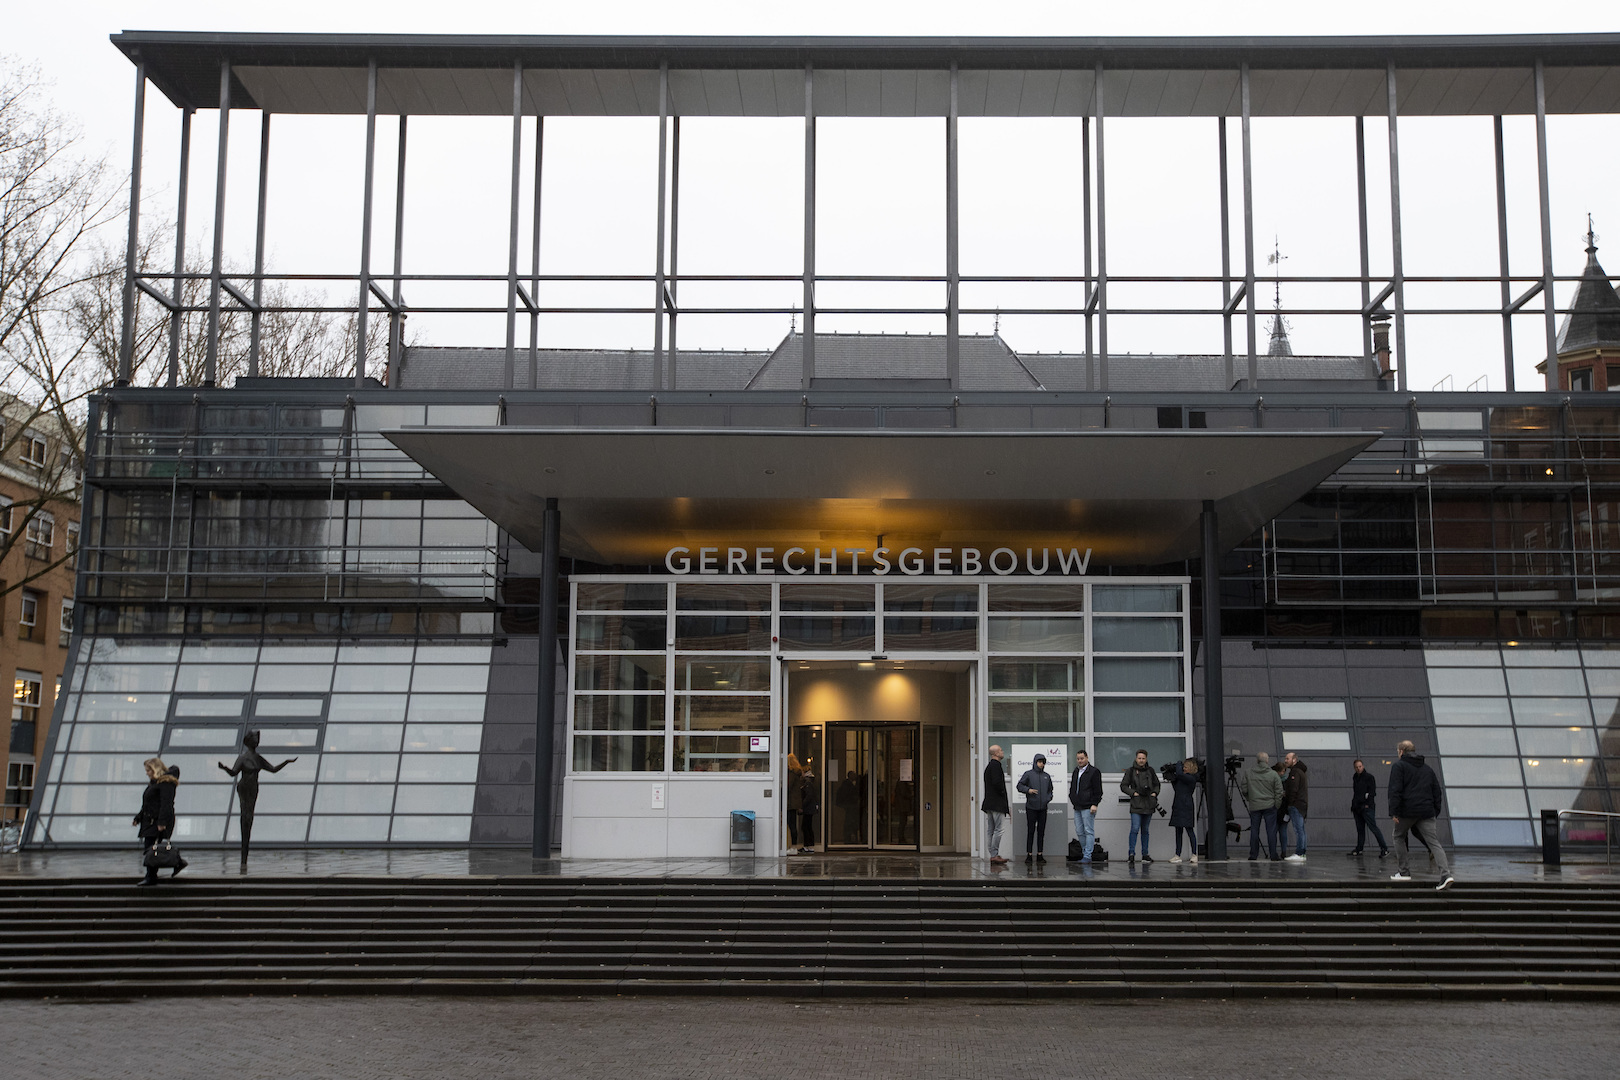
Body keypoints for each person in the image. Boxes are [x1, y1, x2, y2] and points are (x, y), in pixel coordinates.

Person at [218, 730, 297, 868]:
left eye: (257, 739)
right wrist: (224, 768)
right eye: (254, 738)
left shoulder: (258, 758)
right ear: (249, 741)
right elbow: (233, 773)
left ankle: (245, 855)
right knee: (245, 817)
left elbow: (273, 769)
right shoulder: (242, 758)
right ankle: (243, 855)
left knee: (250, 818)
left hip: (253, 788)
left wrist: (286, 762)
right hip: (244, 788)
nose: (257, 741)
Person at [1388, 740, 1454, 890]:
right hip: (1426, 811)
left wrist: (1394, 811)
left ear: (1402, 751)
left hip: (1407, 811)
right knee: (1434, 843)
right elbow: (1437, 791)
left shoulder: (1399, 766)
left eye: (1398, 751)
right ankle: (1446, 874)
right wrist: (1435, 810)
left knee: (1398, 836)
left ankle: (1404, 872)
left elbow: (1395, 790)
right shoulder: (1427, 769)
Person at [132, 757, 184, 886]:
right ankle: (179, 862)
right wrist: (138, 817)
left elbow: (166, 804)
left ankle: (151, 876)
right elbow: (147, 804)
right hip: (149, 820)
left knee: (150, 848)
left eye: (148, 770)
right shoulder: (154, 783)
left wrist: (161, 822)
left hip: (157, 821)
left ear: (155, 769)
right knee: (152, 848)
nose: (147, 773)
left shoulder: (165, 783)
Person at [1237, 752, 1284, 860]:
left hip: (1255, 805)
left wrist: (1250, 799)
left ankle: (1253, 855)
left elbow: (1244, 788)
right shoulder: (1273, 774)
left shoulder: (1248, 773)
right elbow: (1279, 791)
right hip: (1270, 805)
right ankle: (1273, 855)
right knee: (1271, 831)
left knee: (1254, 830)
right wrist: (1277, 804)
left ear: (1257, 761)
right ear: (1267, 761)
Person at [1120, 749, 1161, 864]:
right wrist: (1133, 793)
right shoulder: (1131, 771)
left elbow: (1157, 784)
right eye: (1139, 758)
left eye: (1143, 758)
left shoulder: (1151, 771)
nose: (1141, 760)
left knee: (1145, 830)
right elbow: (1123, 786)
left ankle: (1145, 854)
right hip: (1136, 804)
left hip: (1149, 803)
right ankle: (1131, 853)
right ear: (1136, 758)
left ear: (1146, 759)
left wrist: (1154, 793)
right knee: (1135, 828)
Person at [1016, 753, 1054, 865]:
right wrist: (1029, 790)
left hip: (1043, 808)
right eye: (1039, 762)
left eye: (1043, 762)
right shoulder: (1028, 774)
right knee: (1031, 831)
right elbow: (1019, 786)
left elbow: (1050, 790)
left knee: (1041, 831)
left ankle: (1040, 854)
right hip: (1031, 807)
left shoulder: (1046, 776)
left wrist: (1048, 799)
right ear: (1035, 762)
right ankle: (1029, 854)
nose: (1041, 764)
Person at [1348, 758, 1390, 857]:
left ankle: (1384, 848)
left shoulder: (1369, 777)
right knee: (1360, 829)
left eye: (1360, 766)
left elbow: (1372, 793)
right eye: (1357, 767)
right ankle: (1359, 848)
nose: (1358, 769)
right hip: (1357, 807)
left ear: (1363, 766)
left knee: (1373, 827)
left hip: (1366, 807)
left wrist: (1367, 804)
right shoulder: (1355, 777)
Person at [1068, 750, 1102, 864]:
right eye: (1078, 759)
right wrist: (1072, 798)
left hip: (1088, 806)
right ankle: (1084, 852)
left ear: (1086, 758)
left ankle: (1088, 855)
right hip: (1077, 806)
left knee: (1088, 830)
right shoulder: (1076, 771)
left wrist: (1095, 804)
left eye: (1082, 758)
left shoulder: (1094, 772)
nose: (1080, 761)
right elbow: (1073, 787)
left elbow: (1098, 790)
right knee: (1079, 831)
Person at [1166, 758, 1200, 864]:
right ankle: (1177, 854)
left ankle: (1194, 854)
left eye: (1185, 767)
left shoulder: (1192, 778)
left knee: (1189, 830)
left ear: (1190, 768)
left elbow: (1180, 774)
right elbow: (1177, 786)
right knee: (1178, 831)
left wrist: (1178, 765)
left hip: (1186, 805)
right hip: (1178, 804)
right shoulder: (1182, 778)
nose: (1183, 769)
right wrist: (1171, 775)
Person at [982, 744, 1010, 864]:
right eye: (1001, 750)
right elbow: (998, 783)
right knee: (999, 829)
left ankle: (992, 853)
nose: (1002, 752)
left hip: (989, 802)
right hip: (997, 803)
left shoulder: (989, 767)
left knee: (991, 829)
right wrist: (1003, 796)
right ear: (995, 754)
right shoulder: (996, 766)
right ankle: (994, 854)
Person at [1281, 752, 1309, 862]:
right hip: (1301, 805)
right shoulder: (1300, 772)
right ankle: (1302, 853)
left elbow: (1293, 790)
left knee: (1298, 830)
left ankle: (1299, 853)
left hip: (1296, 805)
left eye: (1287, 758)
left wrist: (1290, 803)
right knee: (1301, 829)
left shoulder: (1295, 772)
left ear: (1294, 760)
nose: (1285, 760)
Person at [798, 758, 820, 854]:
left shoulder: (807, 783)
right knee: (807, 826)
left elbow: (808, 796)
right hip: (810, 808)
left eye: (802, 772)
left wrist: (802, 806)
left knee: (806, 827)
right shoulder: (810, 782)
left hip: (808, 808)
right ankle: (808, 846)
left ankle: (808, 846)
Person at [784, 753, 804, 854]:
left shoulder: (791, 773)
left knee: (790, 825)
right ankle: (793, 846)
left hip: (789, 803)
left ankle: (792, 847)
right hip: (794, 803)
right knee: (792, 825)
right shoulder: (797, 773)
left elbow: (787, 786)